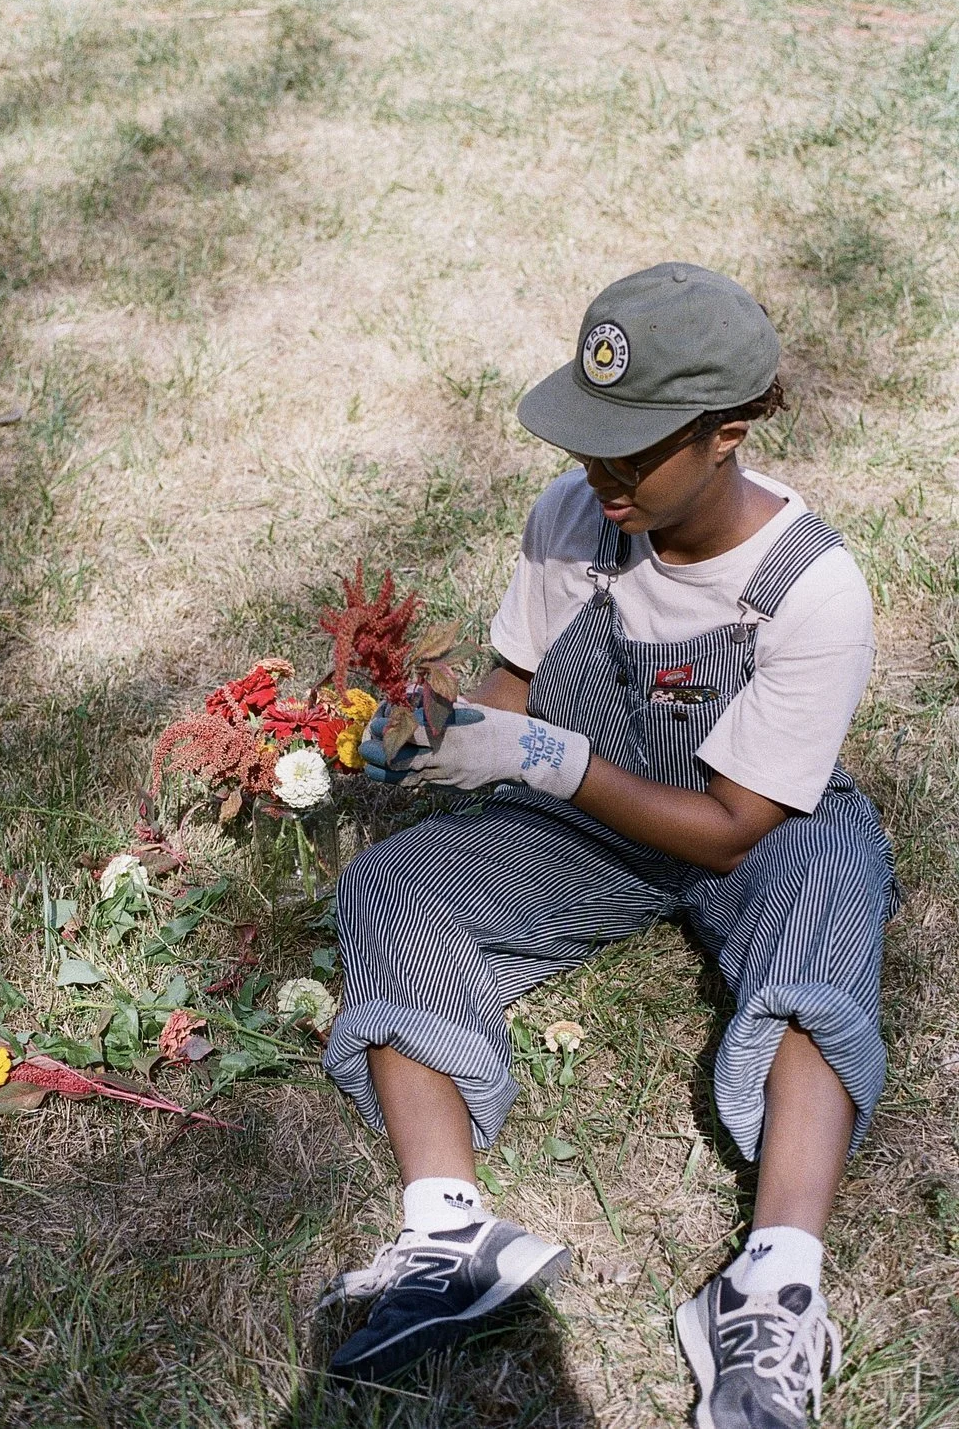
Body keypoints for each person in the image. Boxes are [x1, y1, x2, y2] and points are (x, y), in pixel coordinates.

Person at [319, 263, 899, 1428]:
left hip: (757, 827)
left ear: (728, 433)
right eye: (590, 439)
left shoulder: (809, 588)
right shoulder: (574, 519)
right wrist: (436, 732)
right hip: (590, 827)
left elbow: (733, 830)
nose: (602, 472)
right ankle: (450, 1233)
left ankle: (771, 1285)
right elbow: (515, 687)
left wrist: (544, 759)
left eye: (633, 449)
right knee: (389, 884)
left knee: (833, 895)